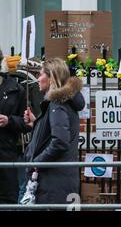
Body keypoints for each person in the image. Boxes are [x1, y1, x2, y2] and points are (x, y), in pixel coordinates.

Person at [24, 58, 85, 204]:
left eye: (40, 75)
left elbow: (60, 142)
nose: (38, 79)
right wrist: (35, 124)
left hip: (53, 183)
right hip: (60, 181)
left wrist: (36, 162)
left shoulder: (57, 104)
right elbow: (56, 133)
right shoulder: (62, 103)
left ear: (51, 78)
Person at [0, 49, 31, 204]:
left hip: (7, 153)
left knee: (8, 199)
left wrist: (9, 121)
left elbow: (28, 123)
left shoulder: (16, 89)